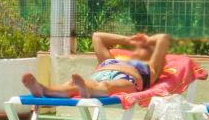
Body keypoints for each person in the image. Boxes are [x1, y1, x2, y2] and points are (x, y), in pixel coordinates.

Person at [20, 29, 170, 100]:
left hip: (127, 80)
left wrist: (147, 40)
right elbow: (97, 36)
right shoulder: (111, 59)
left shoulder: (150, 68)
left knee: (106, 86)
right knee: (73, 84)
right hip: (101, 74)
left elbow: (163, 38)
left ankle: (86, 89)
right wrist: (128, 39)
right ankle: (43, 89)